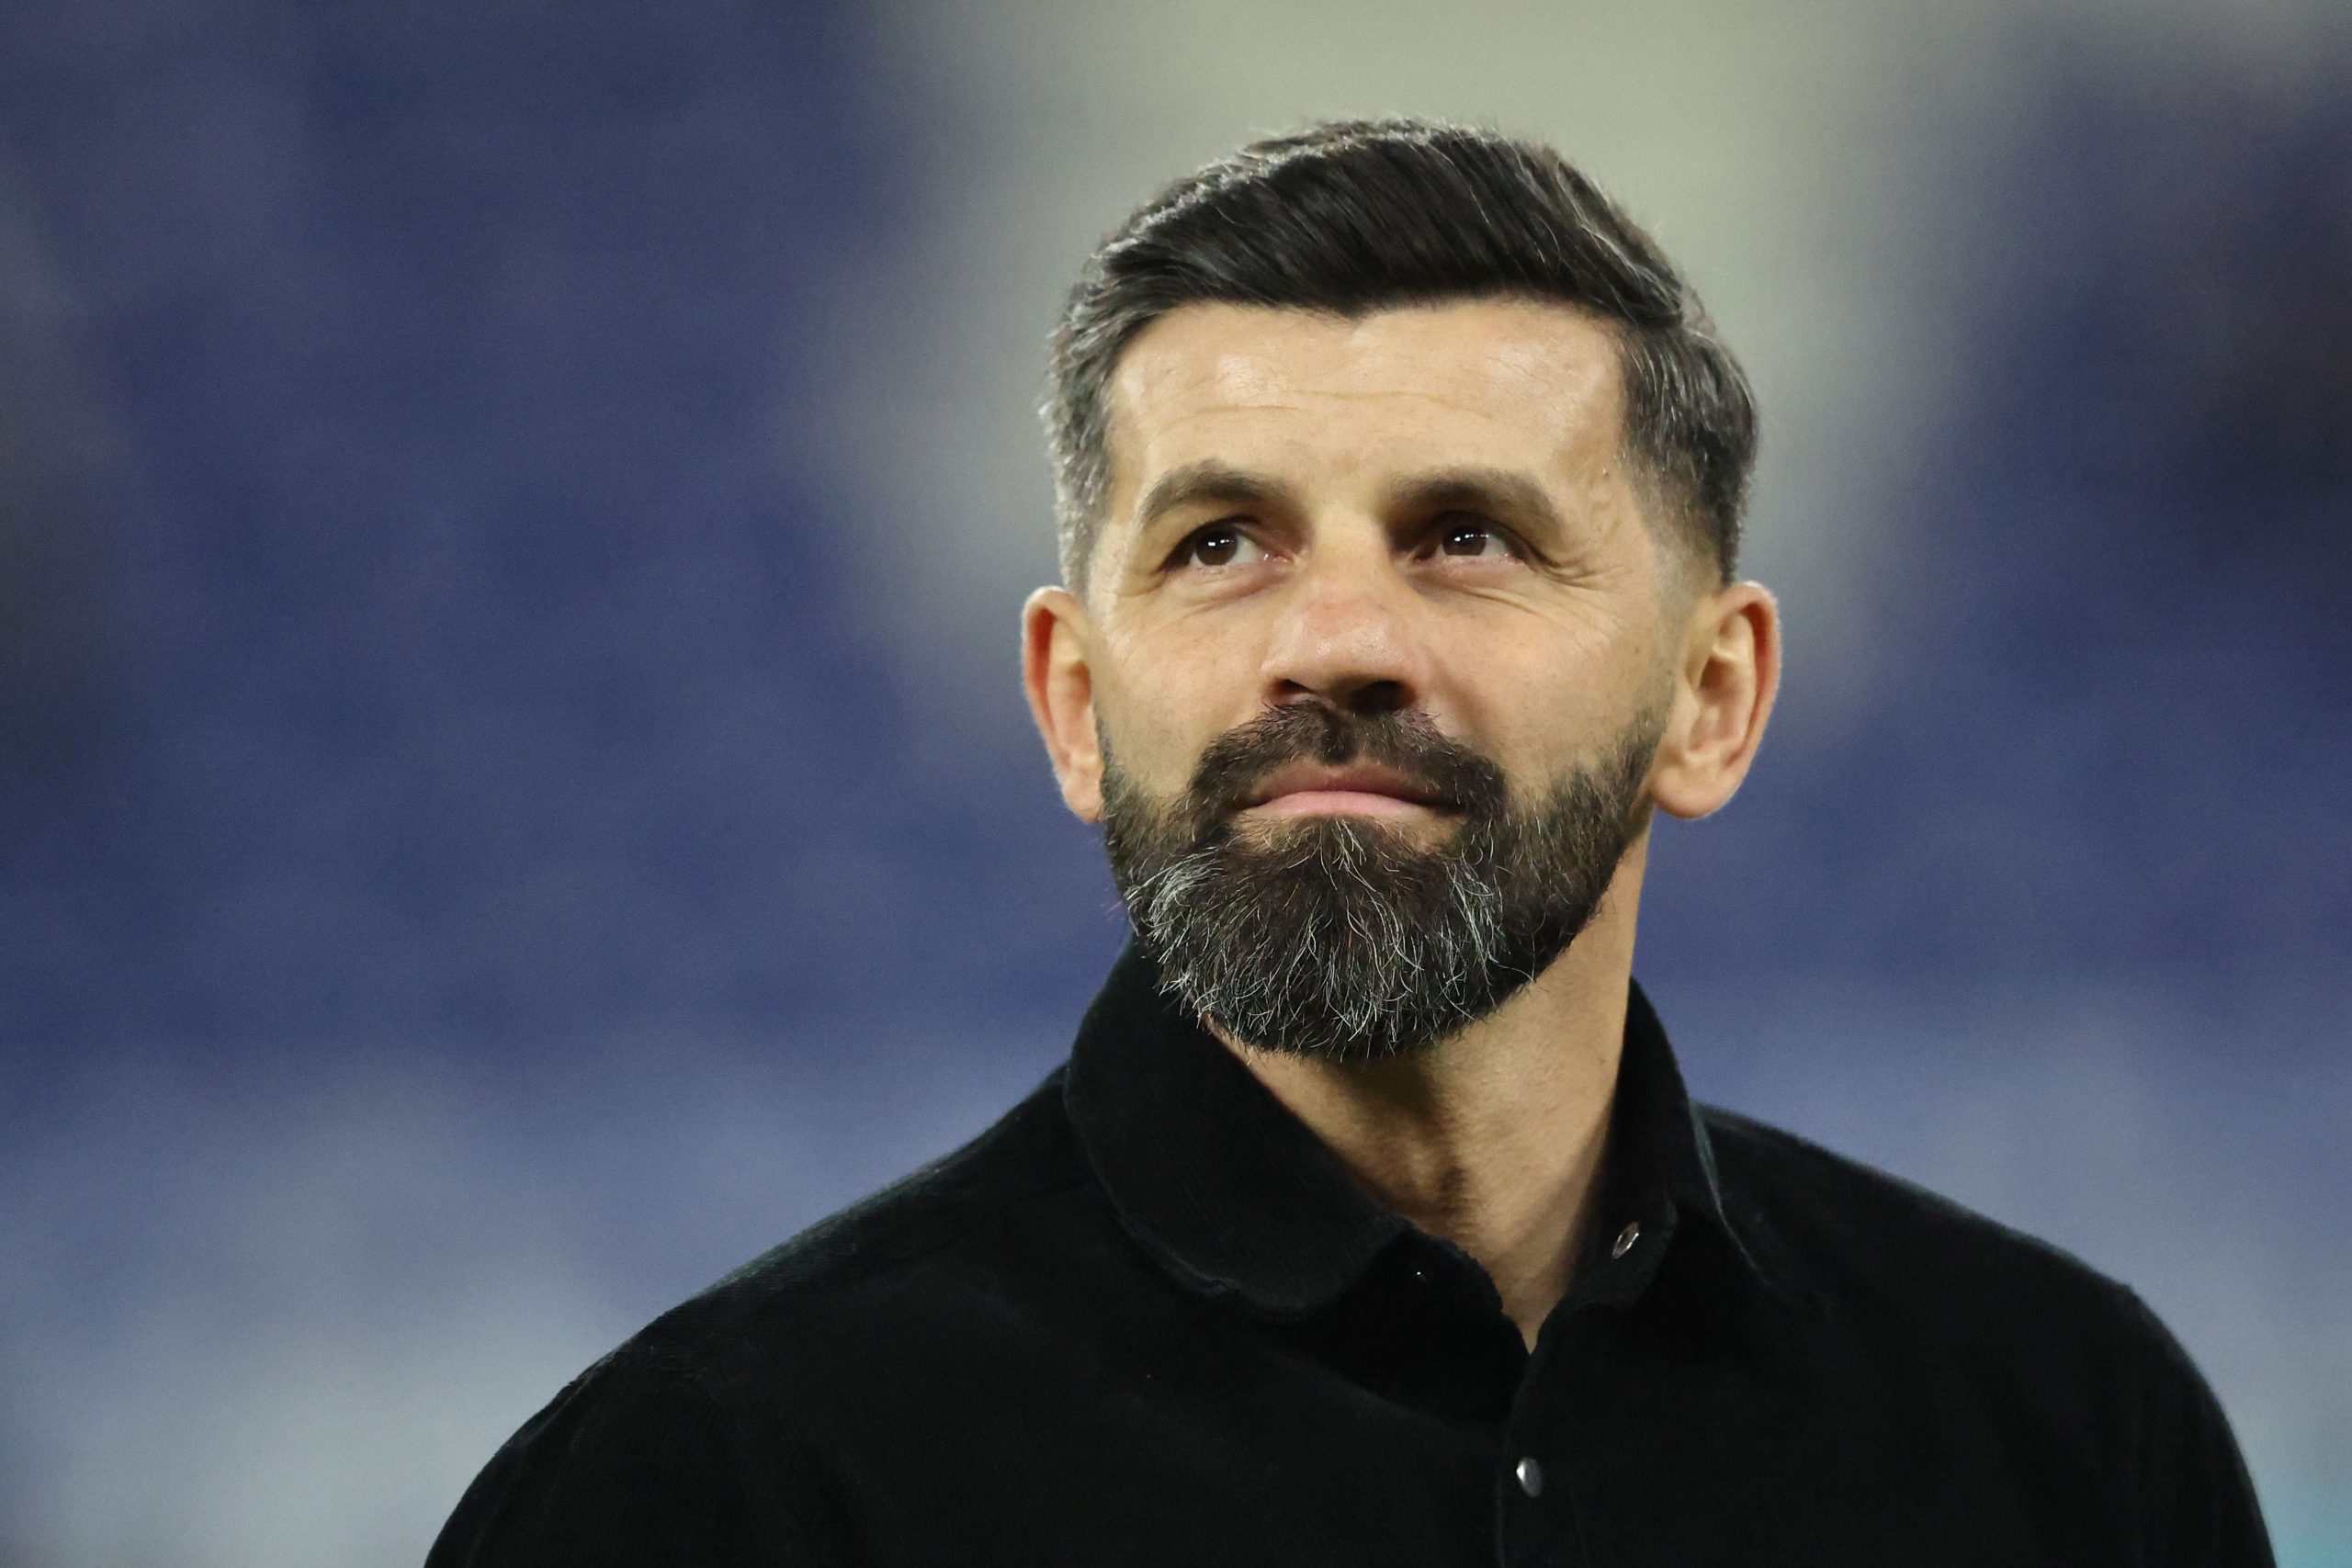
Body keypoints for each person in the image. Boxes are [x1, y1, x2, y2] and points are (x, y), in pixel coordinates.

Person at [425, 118, 2274, 1567]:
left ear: (1709, 697)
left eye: (1466, 535)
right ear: (1073, 702)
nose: (1332, 640)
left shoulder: (2068, 1433)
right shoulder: (718, 1490)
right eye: (1220, 543)